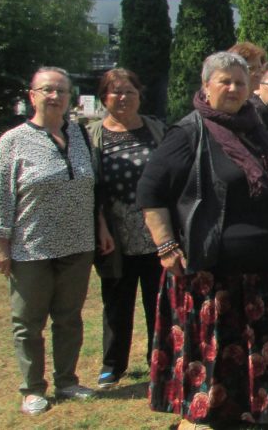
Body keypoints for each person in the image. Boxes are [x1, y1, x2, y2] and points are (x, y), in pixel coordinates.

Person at [138, 52, 268, 425]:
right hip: (219, 273)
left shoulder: (255, 127)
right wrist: (166, 246)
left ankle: (267, 403)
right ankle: (204, 410)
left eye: (240, 82)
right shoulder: (190, 132)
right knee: (220, 348)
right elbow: (150, 193)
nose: (234, 88)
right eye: (225, 81)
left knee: (267, 339)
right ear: (206, 86)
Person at [0, 67, 98, 415]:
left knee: (69, 318)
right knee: (29, 321)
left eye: (62, 91)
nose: (55, 97)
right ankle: (33, 389)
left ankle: (67, 381)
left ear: (70, 97)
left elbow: (92, 189)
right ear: (32, 95)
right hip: (31, 247)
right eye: (47, 90)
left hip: (78, 244)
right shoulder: (13, 141)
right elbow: (0, 196)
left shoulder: (80, 135)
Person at [87, 69, 167, 391]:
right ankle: (112, 365)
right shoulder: (91, 135)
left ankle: (158, 359)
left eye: (129, 91)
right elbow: (91, 188)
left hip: (156, 229)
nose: (122, 98)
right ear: (104, 97)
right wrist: (100, 225)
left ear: (139, 94)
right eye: (115, 92)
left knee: (157, 299)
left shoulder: (157, 129)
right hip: (115, 233)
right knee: (116, 301)